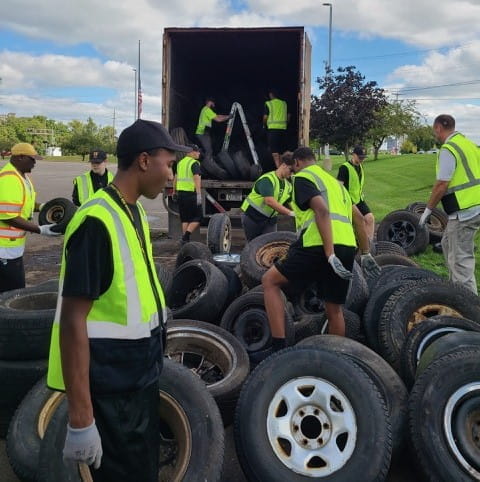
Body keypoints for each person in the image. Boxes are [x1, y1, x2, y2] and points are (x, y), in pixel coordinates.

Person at [46, 119, 192, 481]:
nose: (172, 175)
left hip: (139, 378)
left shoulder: (135, 211)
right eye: (169, 164)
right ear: (144, 161)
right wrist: (81, 418)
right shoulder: (96, 220)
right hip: (112, 388)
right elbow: (72, 320)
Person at [262, 147, 379, 351]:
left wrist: (328, 251)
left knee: (270, 281)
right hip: (346, 247)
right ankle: (335, 356)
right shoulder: (336, 184)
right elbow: (359, 219)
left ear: (297, 163)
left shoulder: (303, 177)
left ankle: (278, 347)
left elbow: (321, 210)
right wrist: (367, 253)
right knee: (334, 309)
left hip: (317, 245)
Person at [419, 114, 480, 294]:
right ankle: (456, 287)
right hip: (475, 206)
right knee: (447, 243)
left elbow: (442, 184)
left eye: (434, 130)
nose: (435, 134)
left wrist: (427, 210)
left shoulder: (448, 148)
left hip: (465, 211)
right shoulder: (468, 144)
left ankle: (469, 308)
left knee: (460, 261)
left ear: (438, 127)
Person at [0, 143, 60, 293]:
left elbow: (27, 204)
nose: (35, 163)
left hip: (13, 246)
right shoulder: (9, 179)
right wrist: (40, 229)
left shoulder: (23, 177)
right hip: (3, 248)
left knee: (14, 289)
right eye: (32, 159)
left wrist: (44, 207)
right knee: (12, 293)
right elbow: (8, 216)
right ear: (20, 157)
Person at [240, 151, 295, 241]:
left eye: (294, 172)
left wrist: (301, 214)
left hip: (270, 221)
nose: (292, 174)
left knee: (269, 247)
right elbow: (269, 201)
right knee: (253, 246)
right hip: (253, 217)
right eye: (291, 170)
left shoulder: (288, 186)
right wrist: (290, 213)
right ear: (284, 165)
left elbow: (292, 203)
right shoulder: (267, 179)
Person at [337, 145, 375, 240]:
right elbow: (338, 187)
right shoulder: (344, 168)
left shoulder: (360, 167)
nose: (362, 159)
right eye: (360, 157)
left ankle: (369, 244)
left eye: (363, 158)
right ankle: (357, 243)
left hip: (359, 199)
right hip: (349, 201)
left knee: (370, 218)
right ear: (353, 155)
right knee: (360, 221)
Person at [172, 144, 202, 244]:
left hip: (181, 194)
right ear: (191, 152)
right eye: (197, 151)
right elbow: (196, 178)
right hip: (191, 194)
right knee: (198, 217)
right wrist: (198, 194)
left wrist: (174, 191)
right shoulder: (194, 163)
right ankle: (186, 237)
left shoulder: (180, 163)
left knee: (185, 218)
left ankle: (185, 240)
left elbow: (175, 178)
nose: (199, 153)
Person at [195, 97, 230, 162]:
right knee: (209, 150)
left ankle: (206, 162)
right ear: (210, 102)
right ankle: (208, 166)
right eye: (213, 102)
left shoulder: (205, 109)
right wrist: (228, 117)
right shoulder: (207, 110)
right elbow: (218, 119)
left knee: (207, 149)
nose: (214, 104)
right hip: (202, 133)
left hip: (202, 132)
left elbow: (217, 116)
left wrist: (227, 116)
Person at [264, 89, 289, 168]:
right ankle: (283, 167)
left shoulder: (268, 104)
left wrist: (264, 125)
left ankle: (279, 168)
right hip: (283, 130)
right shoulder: (284, 104)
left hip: (273, 130)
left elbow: (265, 117)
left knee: (274, 150)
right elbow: (288, 117)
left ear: (271, 94)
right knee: (281, 150)